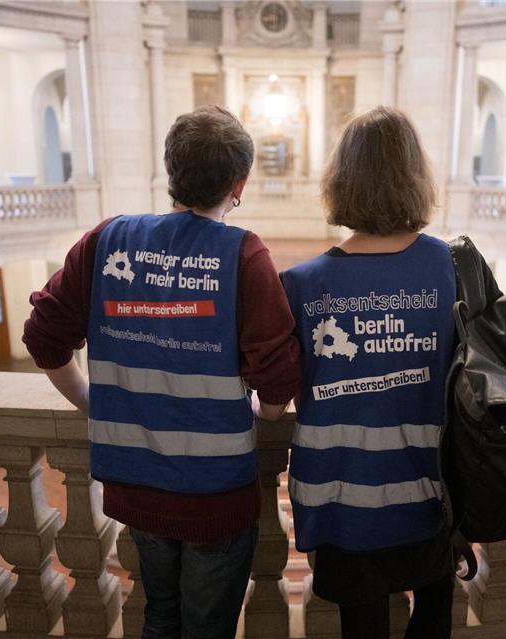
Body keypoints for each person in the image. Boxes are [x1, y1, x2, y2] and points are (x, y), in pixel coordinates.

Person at [23, 105, 300, 639]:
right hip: (215, 493)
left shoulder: (108, 239)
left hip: (137, 482)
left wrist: (92, 400)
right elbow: (278, 374)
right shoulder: (243, 254)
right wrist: (264, 413)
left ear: (170, 169)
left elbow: (43, 335)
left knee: (159, 617)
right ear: (239, 183)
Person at [281, 107, 481, 639]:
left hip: (342, 496)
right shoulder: (451, 267)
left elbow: (277, 385)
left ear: (341, 181)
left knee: (362, 629)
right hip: (431, 490)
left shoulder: (300, 284)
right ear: (416, 176)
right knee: (434, 621)